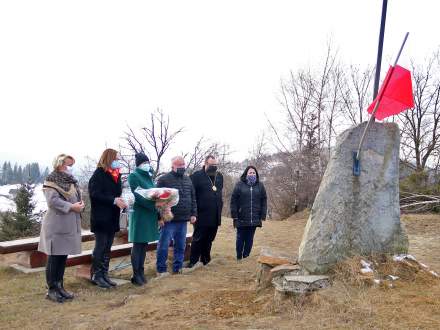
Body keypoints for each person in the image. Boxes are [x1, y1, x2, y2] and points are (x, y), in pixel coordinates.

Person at [38, 154, 85, 303]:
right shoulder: (52, 180)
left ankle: (60, 287)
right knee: (54, 257)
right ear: (60, 164)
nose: (70, 168)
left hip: (68, 224)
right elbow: (52, 201)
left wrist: (80, 204)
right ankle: (51, 290)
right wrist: (72, 207)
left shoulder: (71, 181)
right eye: (67, 165)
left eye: (71, 165)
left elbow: (76, 197)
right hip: (56, 225)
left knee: (62, 256)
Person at [88, 148, 127, 288]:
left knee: (108, 246)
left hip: (112, 217)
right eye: (116, 159)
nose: (118, 161)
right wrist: (113, 200)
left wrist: (121, 201)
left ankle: (104, 274)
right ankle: (96, 275)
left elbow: (116, 194)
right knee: (101, 246)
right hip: (101, 217)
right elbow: (95, 194)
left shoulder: (116, 175)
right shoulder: (99, 174)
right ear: (109, 158)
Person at [156, 156, 197, 276]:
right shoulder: (164, 180)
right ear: (173, 166)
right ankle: (161, 269)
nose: (182, 167)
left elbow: (193, 197)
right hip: (168, 220)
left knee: (180, 245)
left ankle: (177, 268)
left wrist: (193, 213)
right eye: (179, 165)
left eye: (183, 165)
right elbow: (157, 201)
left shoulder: (188, 179)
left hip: (183, 219)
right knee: (163, 245)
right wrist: (159, 217)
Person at [127, 153, 159, 286]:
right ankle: (136, 274)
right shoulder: (134, 176)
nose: (147, 164)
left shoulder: (150, 176)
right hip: (140, 214)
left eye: (148, 162)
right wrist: (154, 205)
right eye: (144, 162)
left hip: (149, 215)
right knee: (138, 244)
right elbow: (138, 195)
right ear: (139, 164)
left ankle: (141, 272)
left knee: (144, 244)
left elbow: (153, 192)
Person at [187, 155, 223, 267]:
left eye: (215, 165)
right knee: (198, 239)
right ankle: (193, 261)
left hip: (215, 214)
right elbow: (191, 195)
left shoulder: (220, 176)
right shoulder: (196, 176)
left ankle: (205, 259)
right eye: (211, 165)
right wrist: (192, 212)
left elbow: (219, 193)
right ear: (205, 164)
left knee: (209, 239)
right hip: (201, 214)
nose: (214, 167)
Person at [230, 166, 267, 260]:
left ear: (256, 174)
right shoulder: (239, 184)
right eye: (250, 173)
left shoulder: (260, 185)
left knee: (250, 238)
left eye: (254, 173)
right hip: (241, 216)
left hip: (254, 217)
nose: (252, 174)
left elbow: (264, 200)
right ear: (246, 174)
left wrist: (263, 214)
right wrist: (234, 215)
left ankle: (246, 256)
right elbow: (233, 200)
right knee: (240, 238)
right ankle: (239, 256)